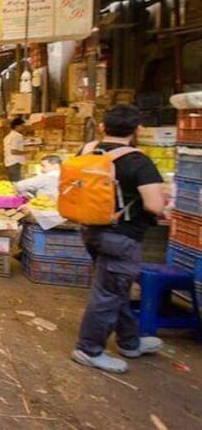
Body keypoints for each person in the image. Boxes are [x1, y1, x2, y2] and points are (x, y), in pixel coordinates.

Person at [71, 104, 166, 374]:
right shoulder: (138, 161)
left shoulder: (88, 151)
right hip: (122, 237)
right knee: (109, 292)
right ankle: (88, 350)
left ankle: (129, 341)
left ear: (102, 127)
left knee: (116, 288)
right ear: (137, 130)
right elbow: (154, 206)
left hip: (90, 229)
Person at [3, 117, 27, 182]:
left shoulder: (7, 136)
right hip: (16, 162)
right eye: (22, 126)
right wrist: (27, 152)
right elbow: (14, 151)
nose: (23, 127)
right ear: (17, 126)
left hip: (8, 162)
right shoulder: (17, 136)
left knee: (12, 182)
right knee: (17, 182)